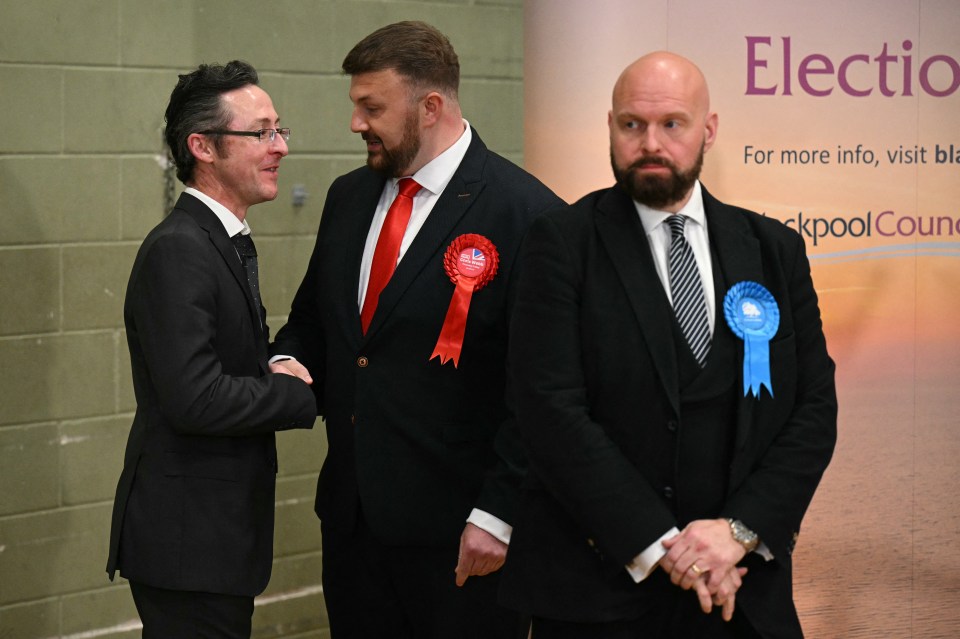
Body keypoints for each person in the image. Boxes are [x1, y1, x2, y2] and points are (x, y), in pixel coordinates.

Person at [498, 51, 838, 638]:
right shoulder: (559, 245)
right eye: (632, 124)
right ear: (610, 126)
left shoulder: (773, 250)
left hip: (743, 594)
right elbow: (549, 409)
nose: (650, 142)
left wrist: (737, 533)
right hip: (599, 595)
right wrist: (667, 548)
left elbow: (813, 408)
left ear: (708, 130)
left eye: (672, 124)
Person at [270, 20, 564, 639]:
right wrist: (286, 362)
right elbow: (312, 324)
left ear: (430, 107)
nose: (356, 124)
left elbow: (544, 392)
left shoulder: (529, 215)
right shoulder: (348, 197)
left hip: (463, 539)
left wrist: (499, 514)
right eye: (355, 106)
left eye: (371, 107)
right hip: (352, 530)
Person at [105, 60, 317, 638]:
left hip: (211, 539)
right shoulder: (181, 248)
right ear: (203, 146)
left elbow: (219, 360)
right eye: (261, 133)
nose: (279, 147)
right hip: (187, 543)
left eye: (280, 130)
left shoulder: (218, 239)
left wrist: (272, 360)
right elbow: (195, 398)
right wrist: (295, 395)